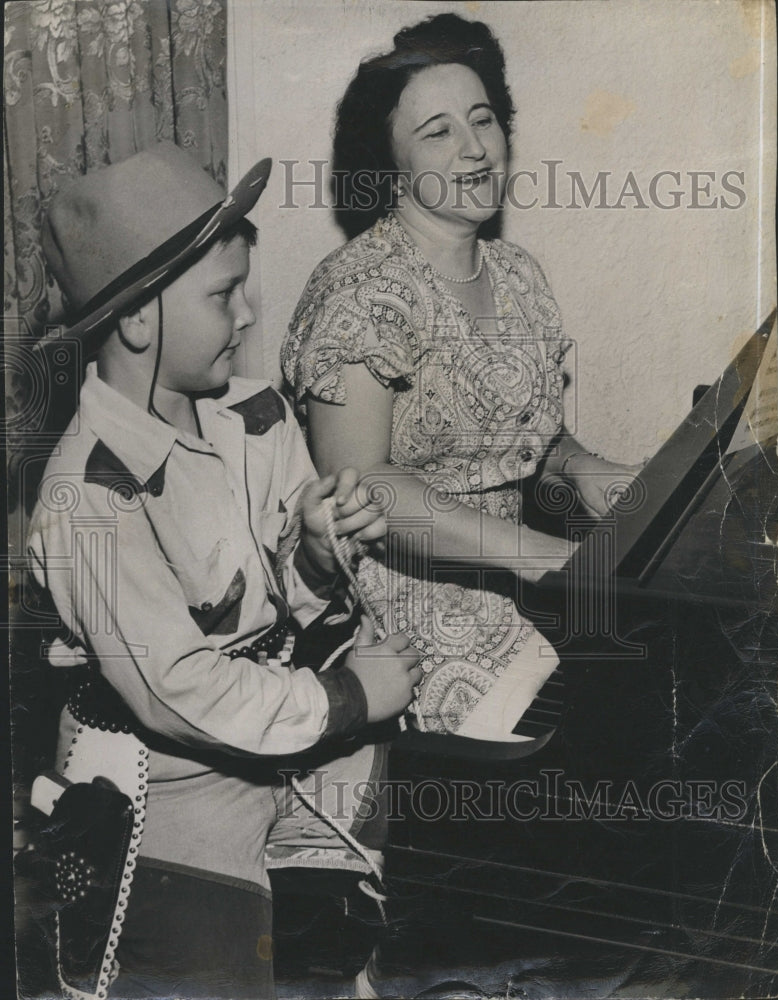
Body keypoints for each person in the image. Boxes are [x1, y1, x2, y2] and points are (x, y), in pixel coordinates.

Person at [26, 142, 422, 1000]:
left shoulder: (257, 416)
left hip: (287, 742)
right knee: (224, 981)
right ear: (136, 319)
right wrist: (350, 699)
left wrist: (317, 552)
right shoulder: (86, 500)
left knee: (342, 952)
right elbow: (177, 692)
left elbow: (288, 602)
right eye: (222, 296)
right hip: (164, 787)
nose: (248, 317)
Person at [282, 13, 637, 743]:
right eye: (437, 131)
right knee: (610, 751)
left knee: (656, 693)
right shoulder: (362, 295)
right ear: (391, 164)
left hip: (525, 587)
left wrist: (582, 466)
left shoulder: (516, 274)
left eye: (483, 119)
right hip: (399, 623)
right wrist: (542, 556)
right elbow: (363, 488)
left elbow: (519, 430)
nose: (474, 147)